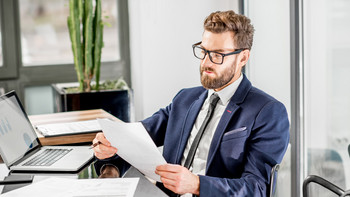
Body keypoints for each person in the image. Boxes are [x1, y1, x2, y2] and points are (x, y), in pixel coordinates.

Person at [92, 10, 289, 197]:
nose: (206, 63)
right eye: (204, 51)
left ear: (243, 57)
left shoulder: (268, 112)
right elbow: (135, 139)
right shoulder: (184, 100)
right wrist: (109, 154)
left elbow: (257, 189)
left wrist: (196, 184)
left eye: (218, 55)